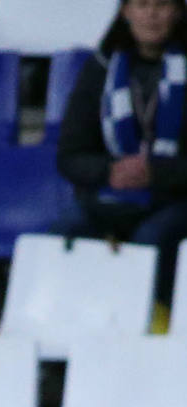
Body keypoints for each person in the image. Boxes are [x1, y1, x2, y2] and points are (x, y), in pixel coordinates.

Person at [55, 0, 187, 324]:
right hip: (111, 194)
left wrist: (157, 172)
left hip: (176, 196)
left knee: (153, 237)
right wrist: (109, 171)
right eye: (142, 5)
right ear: (125, 13)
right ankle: (74, 324)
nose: (152, 15)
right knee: (65, 229)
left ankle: (155, 323)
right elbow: (70, 156)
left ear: (179, 12)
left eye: (162, 5)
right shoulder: (100, 69)